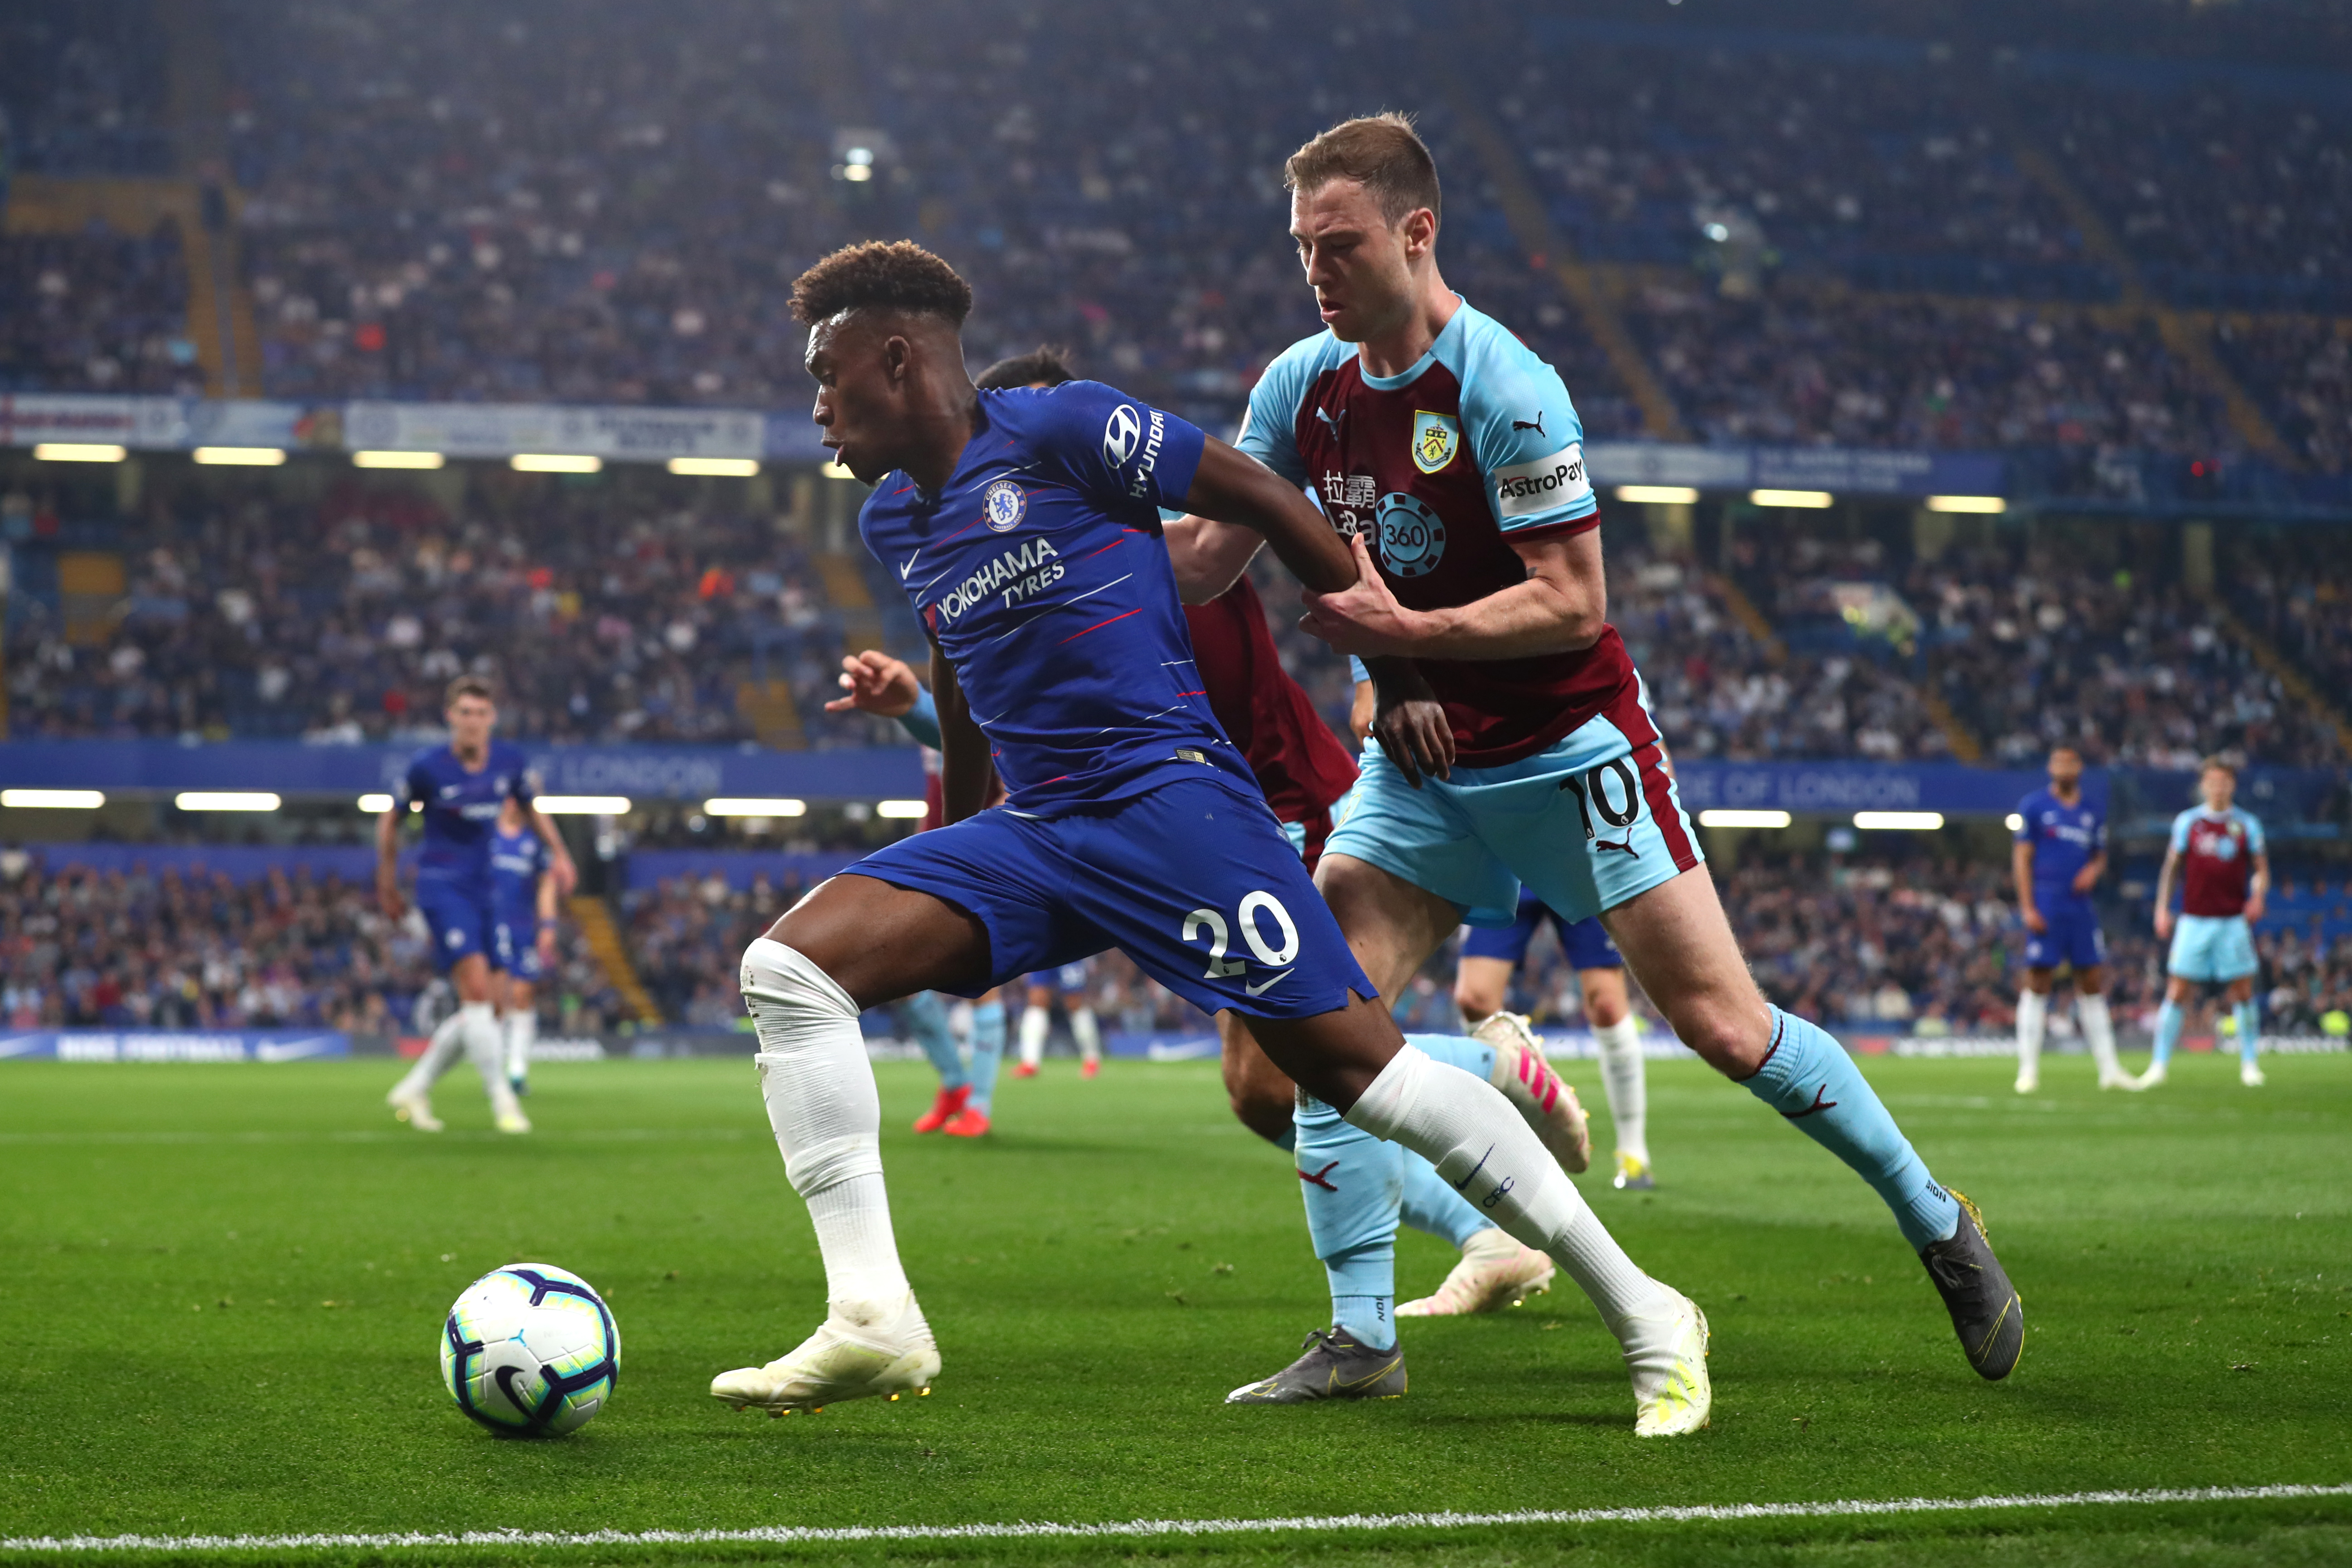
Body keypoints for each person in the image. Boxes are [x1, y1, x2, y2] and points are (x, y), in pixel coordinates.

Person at [708, 238, 1709, 1437]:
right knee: (789, 969)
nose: (815, 406)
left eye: (827, 376)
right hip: (1041, 829)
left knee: (1364, 1078)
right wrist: (957, 834)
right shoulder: (891, 518)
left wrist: (1391, 674)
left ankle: (1649, 1311)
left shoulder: (1066, 429)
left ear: (897, 357)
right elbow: (957, 661)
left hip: (1169, 802)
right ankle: (870, 1311)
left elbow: (1269, 500)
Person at [1169, 112, 2020, 1385]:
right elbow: (1203, 558)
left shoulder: (1505, 384)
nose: (1315, 270)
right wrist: (1069, 536)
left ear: (1416, 232)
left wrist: (1404, 635)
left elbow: (1571, 600)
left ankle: (1935, 1220)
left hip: (1569, 752)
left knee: (1725, 1029)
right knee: (1311, 1021)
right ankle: (1362, 1335)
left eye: (1337, 244)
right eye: (1300, 247)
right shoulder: (1300, 385)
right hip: (1421, 773)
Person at [980, 346, 1569, 1346]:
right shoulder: (1052, 570)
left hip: (1284, 810)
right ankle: (1487, 1229)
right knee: (1264, 1094)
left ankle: (1489, 1069)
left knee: (1297, 1067)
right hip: (1211, 831)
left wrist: (1392, 675)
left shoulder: (1161, 560)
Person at [380, 676, 575, 1133]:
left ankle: (416, 1086)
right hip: (442, 885)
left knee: (492, 1007)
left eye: (481, 713)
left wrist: (562, 854)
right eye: (464, 712)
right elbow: (390, 820)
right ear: (451, 716)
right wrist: (386, 881)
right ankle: (504, 1101)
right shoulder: (428, 766)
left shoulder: (509, 762)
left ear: (492, 718)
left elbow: (533, 808)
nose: (472, 721)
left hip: (487, 889)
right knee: (475, 993)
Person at [826, 648, 1005, 1138]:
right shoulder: (950, 690)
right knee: (905, 984)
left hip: (985, 847)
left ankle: (980, 1105)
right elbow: (944, 743)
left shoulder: (1002, 693)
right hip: (935, 841)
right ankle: (955, 1084)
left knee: (984, 978)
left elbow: (1002, 769)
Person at [1454, 891, 1654, 1191]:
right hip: (1505, 860)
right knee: (1475, 998)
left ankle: (1633, 1153)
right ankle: (1493, 1146)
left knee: (1607, 1004)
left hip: (1573, 862)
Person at [2142, 757, 2270, 1089]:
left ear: (2233, 785)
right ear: (2203, 785)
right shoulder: (2188, 823)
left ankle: (2250, 1064)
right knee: (2178, 990)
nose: (2218, 787)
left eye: (2224, 781)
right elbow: (2171, 869)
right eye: (2212, 781)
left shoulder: (2248, 824)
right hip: (2194, 920)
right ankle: (2158, 1065)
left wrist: (2258, 896)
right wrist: (2162, 908)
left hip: (2232, 921)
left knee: (2242, 991)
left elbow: (2261, 869)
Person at [2010, 746, 2133, 1093]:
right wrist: (2028, 906)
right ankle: (2028, 1071)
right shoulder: (2034, 806)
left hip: (2080, 907)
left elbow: (2100, 856)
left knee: (2092, 980)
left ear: (2079, 767)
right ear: (2050, 768)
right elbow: (2021, 859)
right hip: (2046, 902)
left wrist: (2093, 871)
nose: (2063, 768)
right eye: (2057, 762)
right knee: (2038, 981)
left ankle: (2110, 1070)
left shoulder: (2092, 811)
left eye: (2069, 762)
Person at [489, 796, 561, 1097]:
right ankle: (493, 1071)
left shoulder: (533, 845)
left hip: (522, 929)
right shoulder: (485, 838)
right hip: (490, 927)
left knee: (522, 995)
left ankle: (517, 1072)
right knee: (496, 1001)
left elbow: (547, 885)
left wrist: (548, 925)